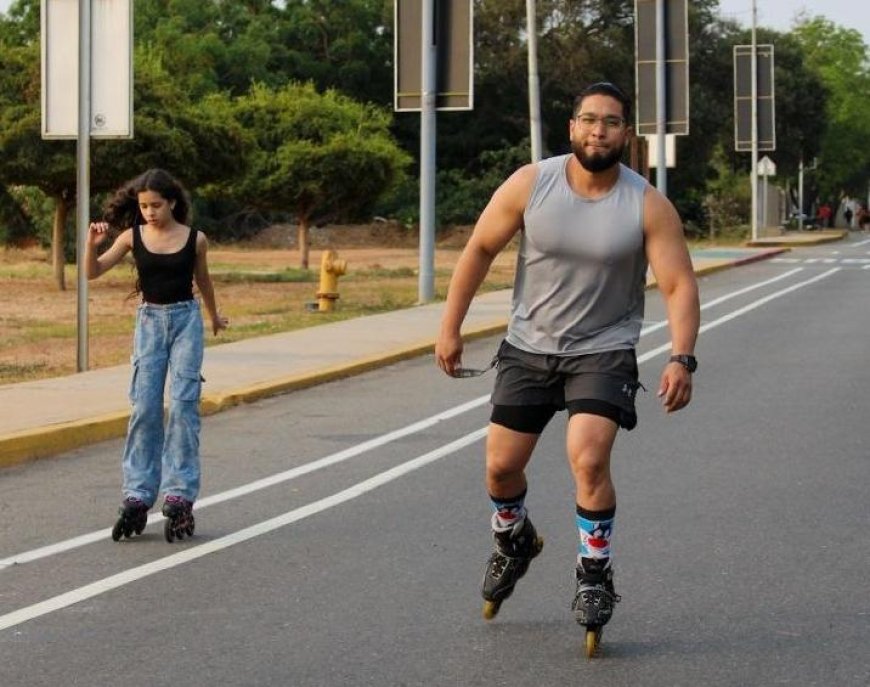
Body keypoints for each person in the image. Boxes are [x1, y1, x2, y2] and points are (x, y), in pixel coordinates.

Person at [435, 82, 700, 652]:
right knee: (501, 469)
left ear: (625, 133)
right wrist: (450, 326)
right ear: (572, 127)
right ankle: (513, 539)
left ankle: (593, 577)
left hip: (603, 350)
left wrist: (681, 356)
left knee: (588, 456)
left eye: (610, 122)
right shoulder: (532, 183)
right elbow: (480, 248)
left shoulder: (646, 203)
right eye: (588, 120)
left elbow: (678, 283)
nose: (597, 131)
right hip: (529, 346)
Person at [85, 168, 228, 543]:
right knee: (145, 407)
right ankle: (138, 494)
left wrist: (214, 315)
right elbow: (93, 272)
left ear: (173, 203)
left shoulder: (195, 239)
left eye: (156, 205)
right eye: (144, 206)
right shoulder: (132, 237)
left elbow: (204, 280)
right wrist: (92, 244)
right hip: (149, 323)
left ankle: (180, 493)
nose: (149, 212)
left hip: (185, 322)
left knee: (183, 405)